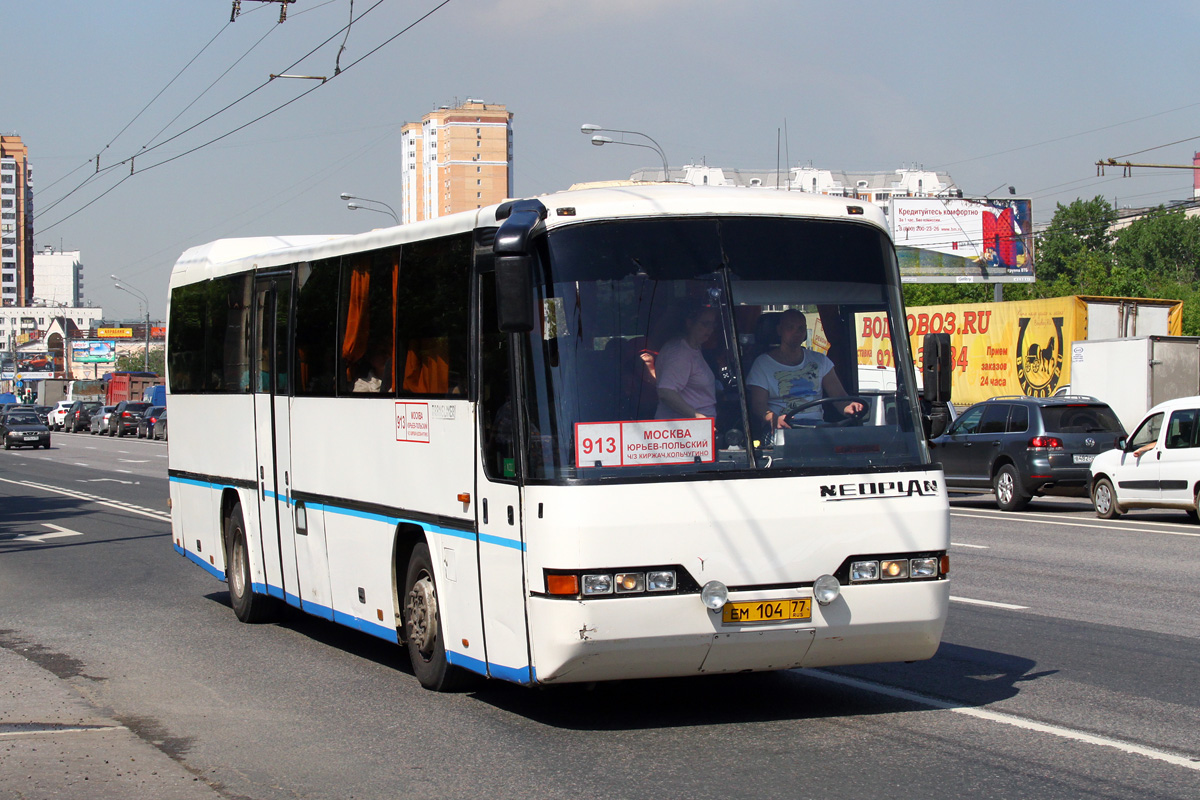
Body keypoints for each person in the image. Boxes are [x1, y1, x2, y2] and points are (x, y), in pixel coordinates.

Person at [747, 308, 864, 430]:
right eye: (790, 327)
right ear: (779, 330)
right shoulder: (762, 364)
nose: (796, 332)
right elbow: (758, 405)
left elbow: (839, 396)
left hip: (817, 428)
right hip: (782, 428)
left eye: (801, 328)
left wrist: (849, 407)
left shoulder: (820, 361)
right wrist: (773, 419)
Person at [655, 305, 719, 420]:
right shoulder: (679, 352)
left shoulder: (694, 348)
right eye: (705, 324)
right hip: (684, 430)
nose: (710, 330)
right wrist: (698, 417)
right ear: (689, 323)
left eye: (712, 325)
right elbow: (666, 391)